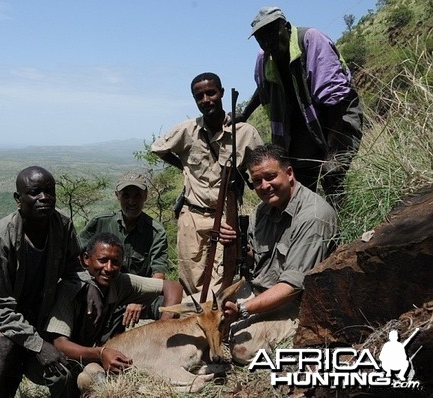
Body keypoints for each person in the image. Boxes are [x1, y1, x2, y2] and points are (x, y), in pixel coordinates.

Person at [0, 166, 100, 398]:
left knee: (59, 368)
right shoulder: (1, 238)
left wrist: (89, 282)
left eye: (49, 191)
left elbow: (74, 264)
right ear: (18, 200)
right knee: (4, 346)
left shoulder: (61, 225)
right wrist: (39, 345)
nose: (44, 198)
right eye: (34, 192)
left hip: (30, 304)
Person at [218, 144, 337, 364]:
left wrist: (243, 310)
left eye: (270, 177)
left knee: (243, 350)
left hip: (292, 304)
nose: (264, 186)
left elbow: (291, 287)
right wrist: (235, 246)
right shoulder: (263, 209)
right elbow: (255, 259)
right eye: (257, 181)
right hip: (257, 289)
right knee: (195, 310)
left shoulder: (313, 216)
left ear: (289, 173)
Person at [150, 72, 263, 295]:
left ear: (220, 92)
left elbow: (262, 165)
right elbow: (158, 148)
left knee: (218, 286)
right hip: (192, 217)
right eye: (199, 96)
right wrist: (183, 165)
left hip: (224, 219)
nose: (206, 100)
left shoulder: (244, 133)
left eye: (210, 93)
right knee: (191, 283)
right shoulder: (187, 130)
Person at [238, 6, 363, 207]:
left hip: (335, 121)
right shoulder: (265, 58)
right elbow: (263, 89)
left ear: (285, 27)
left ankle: (347, 223)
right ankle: (317, 228)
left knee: (333, 176)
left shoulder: (311, 40)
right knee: (300, 188)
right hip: (300, 128)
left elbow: (335, 99)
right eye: (261, 38)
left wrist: (332, 153)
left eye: (272, 32)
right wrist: (243, 115)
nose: (268, 41)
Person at [46, 232, 183, 396]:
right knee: (74, 377)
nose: (109, 268)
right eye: (102, 260)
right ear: (86, 259)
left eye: (115, 262)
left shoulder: (119, 282)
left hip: (94, 352)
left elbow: (173, 286)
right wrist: (101, 353)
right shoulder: (70, 289)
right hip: (60, 359)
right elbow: (60, 344)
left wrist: (163, 326)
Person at [79, 171, 169, 325]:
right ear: (117, 196)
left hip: (137, 294)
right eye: (126, 195)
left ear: (146, 196)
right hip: (101, 290)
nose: (131, 201)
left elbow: (158, 274)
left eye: (137, 195)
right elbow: (77, 256)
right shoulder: (101, 222)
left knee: (171, 309)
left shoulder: (155, 232)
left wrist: (138, 301)